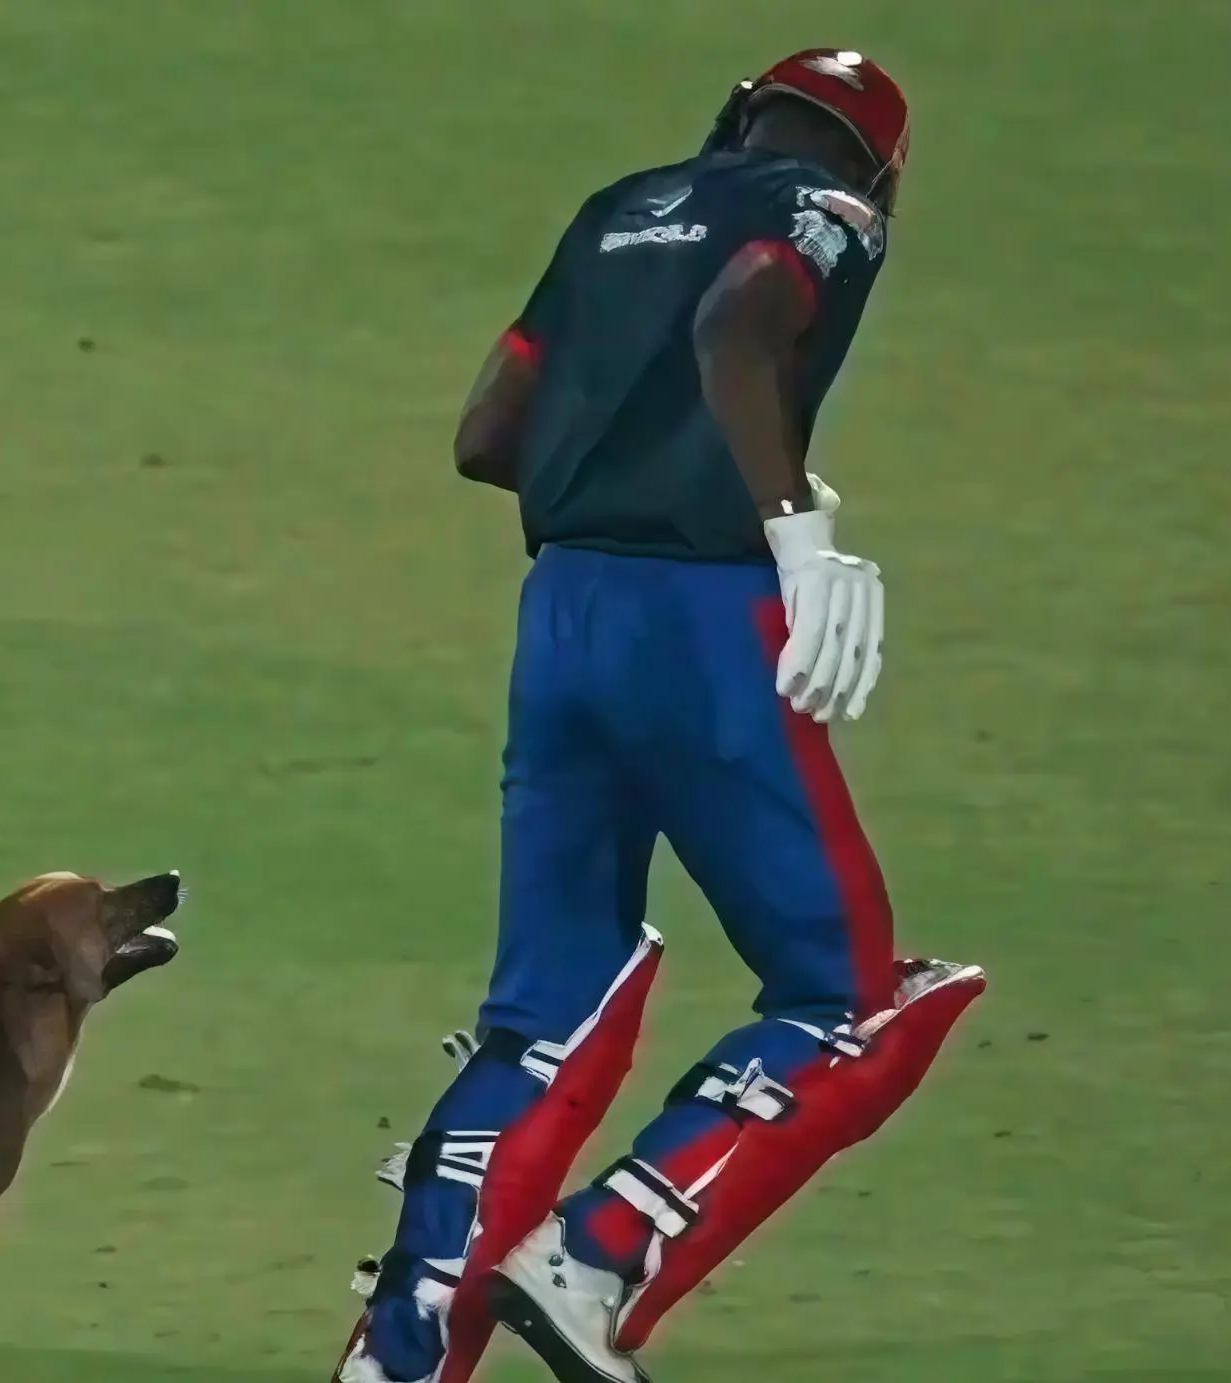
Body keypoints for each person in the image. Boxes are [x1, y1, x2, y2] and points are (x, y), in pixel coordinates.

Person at [337, 49, 986, 1383]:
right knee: (850, 998)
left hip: (564, 615)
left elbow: (487, 437)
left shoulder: (616, 208)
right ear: (878, 173)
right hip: (703, 625)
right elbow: (738, 325)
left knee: (549, 1009)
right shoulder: (830, 212)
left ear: (739, 115)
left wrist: (642, 467)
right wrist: (791, 522)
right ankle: (600, 1254)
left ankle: (401, 1351)